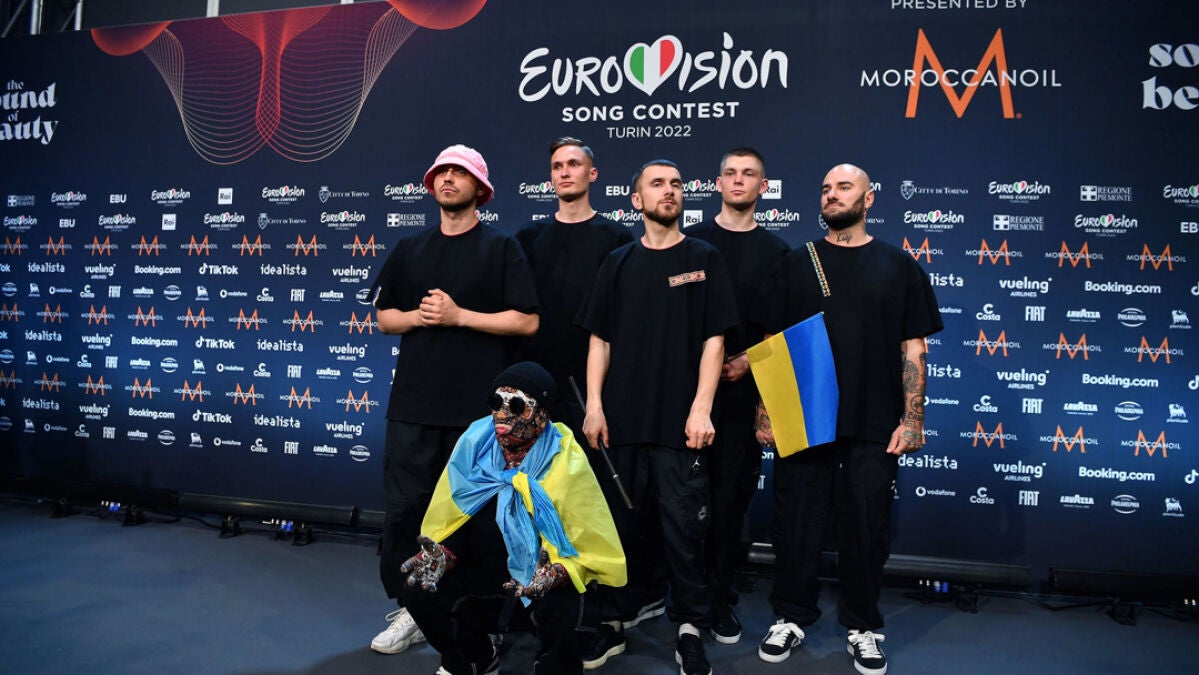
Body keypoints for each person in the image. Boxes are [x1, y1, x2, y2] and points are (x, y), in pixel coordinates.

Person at [752, 164, 943, 675]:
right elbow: (771, 344)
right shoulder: (796, 263)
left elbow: (914, 348)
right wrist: (766, 411)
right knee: (796, 525)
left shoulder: (899, 266)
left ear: (869, 198)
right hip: (804, 419)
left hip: (874, 421)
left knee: (866, 528)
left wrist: (913, 418)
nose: (832, 195)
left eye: (843, 187)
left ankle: (863, 626)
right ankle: (790, 616)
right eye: (826, 189)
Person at [369, 144, 540, 656]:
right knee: (407, 513)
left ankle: (476, 618)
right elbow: (384, 318)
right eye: (440, 172)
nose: (447, 178)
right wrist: (421, 318)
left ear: (480, 188)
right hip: (413, 408)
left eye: (459, 173)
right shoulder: (410, 248)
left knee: (478, 518)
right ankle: (414, 607)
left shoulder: (502, 248)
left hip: (478, 415)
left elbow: (527, 320)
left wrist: (459, 316)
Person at [576, 159, 739, 675]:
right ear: (636, 200)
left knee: (685, 533)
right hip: (620, 424)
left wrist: (701, 407)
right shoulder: (618, 262)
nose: (669, 191)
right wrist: (595, 405)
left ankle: (689, 626)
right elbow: (599, 340)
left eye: (675, 184)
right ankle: (611, 621)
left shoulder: (704, 258)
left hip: (681, 427)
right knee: (616, 529)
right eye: (657, 184)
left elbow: (715, 340)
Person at [400, 361, 626, 675]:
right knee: (419, 588)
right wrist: (445, 553)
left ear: (542, 414)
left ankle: (553, 666)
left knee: (567, 600)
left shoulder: (565, 460)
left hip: (541, 583)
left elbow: (587, 547)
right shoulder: (474, 446)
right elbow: (456, 517)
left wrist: (557, 574)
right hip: (485, 577)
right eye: (496, 402)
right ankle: (473, 657)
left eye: (517, 405)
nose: (502, 414)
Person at [685, 147, 790, 645]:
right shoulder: (690, 243)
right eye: (730, 173)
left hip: (744, 399)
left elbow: (786, 331)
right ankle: (677, 597)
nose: (738, 181)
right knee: (678, 504)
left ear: (763, 187)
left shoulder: (779, 253)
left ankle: (719, 599)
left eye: (749, 174)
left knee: (728, 506)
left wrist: (749, 361)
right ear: (718, 183)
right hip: (685, 398)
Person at [515, 137, 633, 440]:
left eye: (573, 164)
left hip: (598, 383)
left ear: (592, 174)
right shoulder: (528, 237)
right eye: (557, 167)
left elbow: (624, 318)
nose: (564, 172)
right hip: (537, 378)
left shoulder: (618, 238)